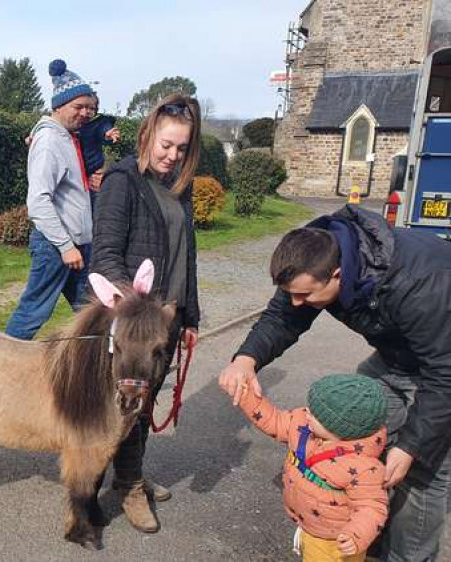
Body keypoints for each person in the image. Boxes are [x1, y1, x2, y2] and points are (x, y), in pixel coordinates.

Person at [218, 207, 451, 562]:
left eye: (306, 297)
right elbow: (283, 317)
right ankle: (370, 524)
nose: (298, 304)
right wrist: (245, 359)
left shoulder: (418, 284)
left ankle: (409, 555)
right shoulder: (313, 255)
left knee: (423, 467)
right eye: (292, 294)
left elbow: (444, 375)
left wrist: (413, 445)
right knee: (353, 426)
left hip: (442, 363)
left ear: (338, 275)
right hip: (397, 355)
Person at [90, 93, 202, 533]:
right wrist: (138, 311)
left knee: (144, 405)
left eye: (181, 149)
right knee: (122, 406)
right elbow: (105, 256)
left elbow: (184, 258)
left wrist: (189, 316)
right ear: (147, 135)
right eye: (165, 145)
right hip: (135, 327)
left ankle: (129, 476)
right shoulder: (122, 181)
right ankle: (117, 485)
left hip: (166, 325)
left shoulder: (180, 187)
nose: (171, 156)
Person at [236, 373, 388, 561]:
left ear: (339, 428)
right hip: (310, 524)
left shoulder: (364, 468)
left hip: (332, 540)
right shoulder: (303, 425)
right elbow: (273, 420)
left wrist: (356, 534)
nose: (306, 412)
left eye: (315, 413)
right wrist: (245, 394)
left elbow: (372, 507)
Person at [4, 59, 96, 340]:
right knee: (33, 313)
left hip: (76, 246)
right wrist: (66, 247)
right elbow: (39, 201)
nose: (85, 113)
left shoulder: (68, 137)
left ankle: (93, 373)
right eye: (78, 107)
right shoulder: (49, 142)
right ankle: (0, 368)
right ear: (58, 106)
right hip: (57, 248)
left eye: (89, 107)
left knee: (93, 314)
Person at [76, 94, 120, 205]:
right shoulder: (73, 125)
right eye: (84, 108)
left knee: (94, 202)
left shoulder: (97, 123)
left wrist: (108, 134)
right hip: (77, 171)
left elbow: (104, 129)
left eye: (92, 109)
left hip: (93, 169)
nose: (87, 112)